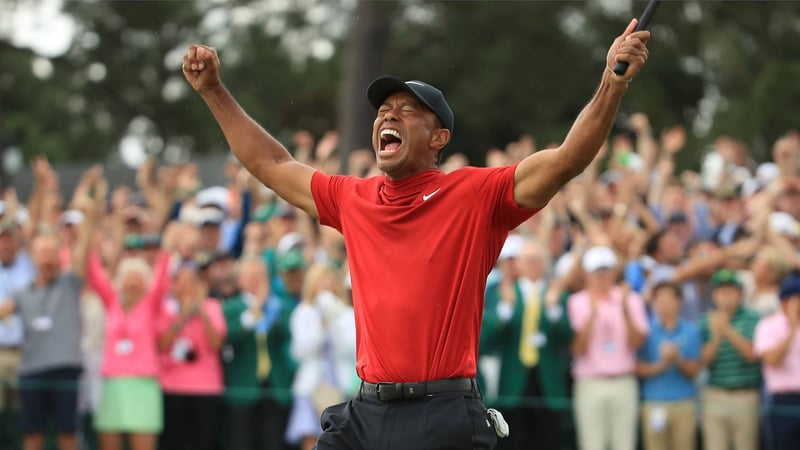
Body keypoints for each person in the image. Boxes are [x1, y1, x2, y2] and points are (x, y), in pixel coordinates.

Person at [181, 17, 651, 449]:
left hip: (442, 413)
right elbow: (273, 164)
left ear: (438, 138)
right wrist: (214, 91)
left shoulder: (475, 194)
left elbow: (567, 158)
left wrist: (612, 82)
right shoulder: (353, 197)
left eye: (405, 111)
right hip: (364, 412)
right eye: (383, 111)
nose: (387, 117)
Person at [0, 171, 100, 450]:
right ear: (33, 256)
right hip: (31, 370)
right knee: (32, 436)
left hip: (66, 369)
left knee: (68, 435)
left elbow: (83, 248)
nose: (47, 258)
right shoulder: (23, 292)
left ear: (59, 255)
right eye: (41, 252)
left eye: (51, 252)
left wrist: (89, 217)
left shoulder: (70, 282)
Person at [84, 241, 171, 449]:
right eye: (128, 279)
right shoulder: (112, 302)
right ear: (119, 282)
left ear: (146, 283)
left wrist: (167, 246)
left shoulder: (151, 304)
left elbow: (162, 277)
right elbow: (94, 274)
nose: (132, 284)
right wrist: (90, 240)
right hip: (113, 384)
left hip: (144, 385)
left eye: (138, 279)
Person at [568, 246, 649, 450]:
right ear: (587, 273)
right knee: (591, 444)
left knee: (625, 444)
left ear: (615, 272)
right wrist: (592, 316)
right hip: (590, 381)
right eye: (597, 271)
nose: (602, 276)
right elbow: (578, 349)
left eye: (606, 270)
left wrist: (625, 309)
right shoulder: (576, 301)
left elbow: (637, 343)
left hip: (624, 381)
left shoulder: (631, 299)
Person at [699, 269, 762, 450]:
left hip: (745, 393)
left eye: (730, 290)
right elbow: (705, 361)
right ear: (714, 295)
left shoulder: (752, 318)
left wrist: (726, 329)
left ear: (739, 293)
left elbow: (752, 355)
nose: (725, 295)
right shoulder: (706, 321)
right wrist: (717, 334)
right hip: (715, 393)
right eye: (720, 290)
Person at [636, 281, 701, 450]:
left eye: (668, 298)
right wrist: (662, 365)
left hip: (683, 403)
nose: (663, 303)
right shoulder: (645, 331)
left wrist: (676, 358)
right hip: (654, 403)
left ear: (679, 301)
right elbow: (638, 368)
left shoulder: (691, 331)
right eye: (658, 299)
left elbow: (694, 371)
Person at [753, 272, 800, 450]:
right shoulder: (768, 325)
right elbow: (772, 359)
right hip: (782, 401)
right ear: (785, 301)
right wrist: (793, 328)